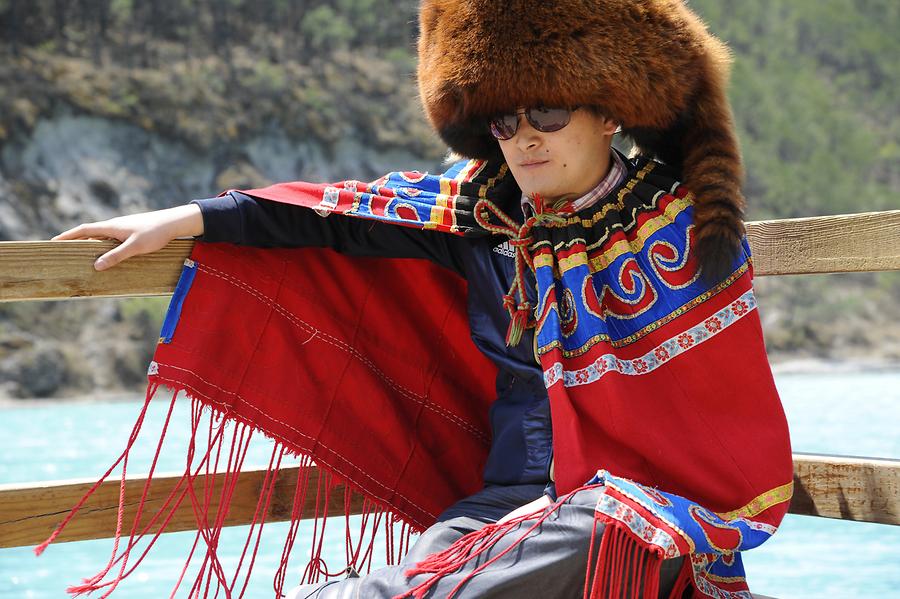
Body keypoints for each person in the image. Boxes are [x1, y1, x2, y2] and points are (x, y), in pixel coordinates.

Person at [54, 2, 793, 598]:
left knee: (605, 529)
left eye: (548, 113)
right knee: (453, 554)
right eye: (504, 121)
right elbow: (335, 215)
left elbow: (719, 422)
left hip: (618, 512)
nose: (524, 138)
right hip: (500, 507)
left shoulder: (679, 224)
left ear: (607, 113)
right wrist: (187, 218)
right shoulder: (480, 215)